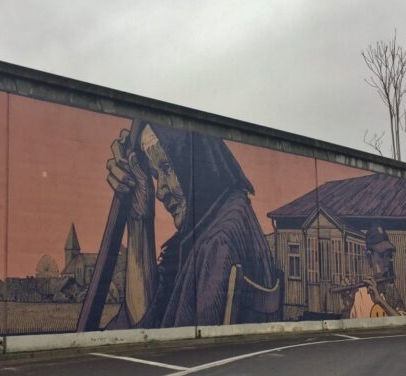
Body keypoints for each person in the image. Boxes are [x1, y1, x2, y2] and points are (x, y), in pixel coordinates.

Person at [105, 120, 280, 329]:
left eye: (167, 168)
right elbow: (149, 322)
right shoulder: (229, 215)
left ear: (197, 165)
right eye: (155, 176)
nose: (160, 192)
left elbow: (166, 338)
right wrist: (139, 220)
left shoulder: (217, 243)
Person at [341, 224, 406, 318]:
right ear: (369, 257)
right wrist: (348, 304)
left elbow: (403, 323)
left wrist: (380, 301)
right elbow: (346, 323)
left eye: (388, 256)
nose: (386, 261)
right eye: (381, 255)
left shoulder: (390, 290)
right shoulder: (356, 291)